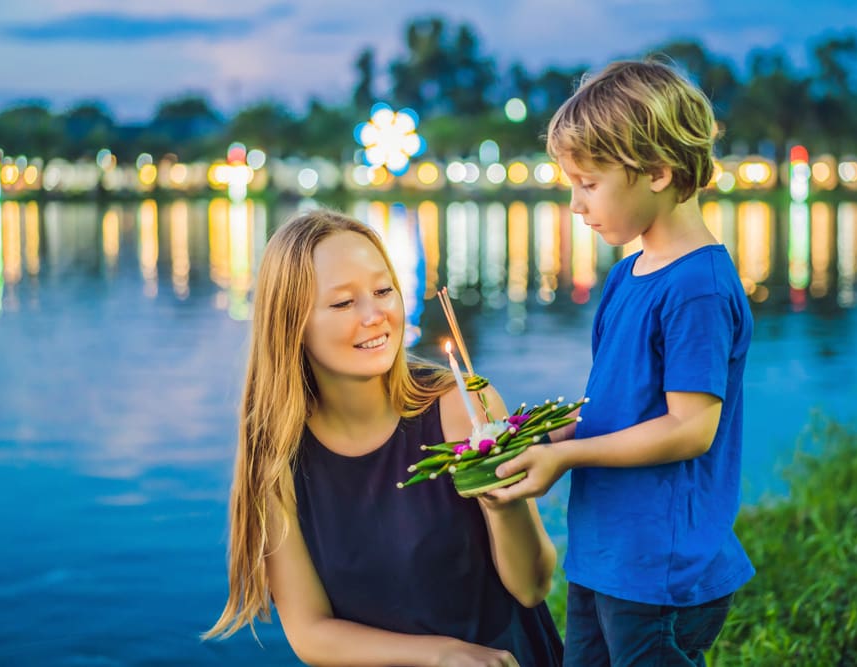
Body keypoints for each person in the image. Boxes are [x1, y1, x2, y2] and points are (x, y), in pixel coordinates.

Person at [204, 210, 563, 667]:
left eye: (382, 290)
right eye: (342, 303)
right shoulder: (276, 457)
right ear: (291, 324)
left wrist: (502, 501)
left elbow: (533, 587)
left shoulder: (463, 406)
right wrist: (443, 656)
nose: (375, 316)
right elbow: (310, 632)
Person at [488, 58, 755, 666]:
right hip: (603, 553)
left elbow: (691, 428)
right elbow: (618, 409)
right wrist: (546, 431)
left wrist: (565, 456)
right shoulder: (627, 275)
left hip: (658, 566)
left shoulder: (698, 287)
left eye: (589, 182)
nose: (577, 205)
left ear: (657, 172)